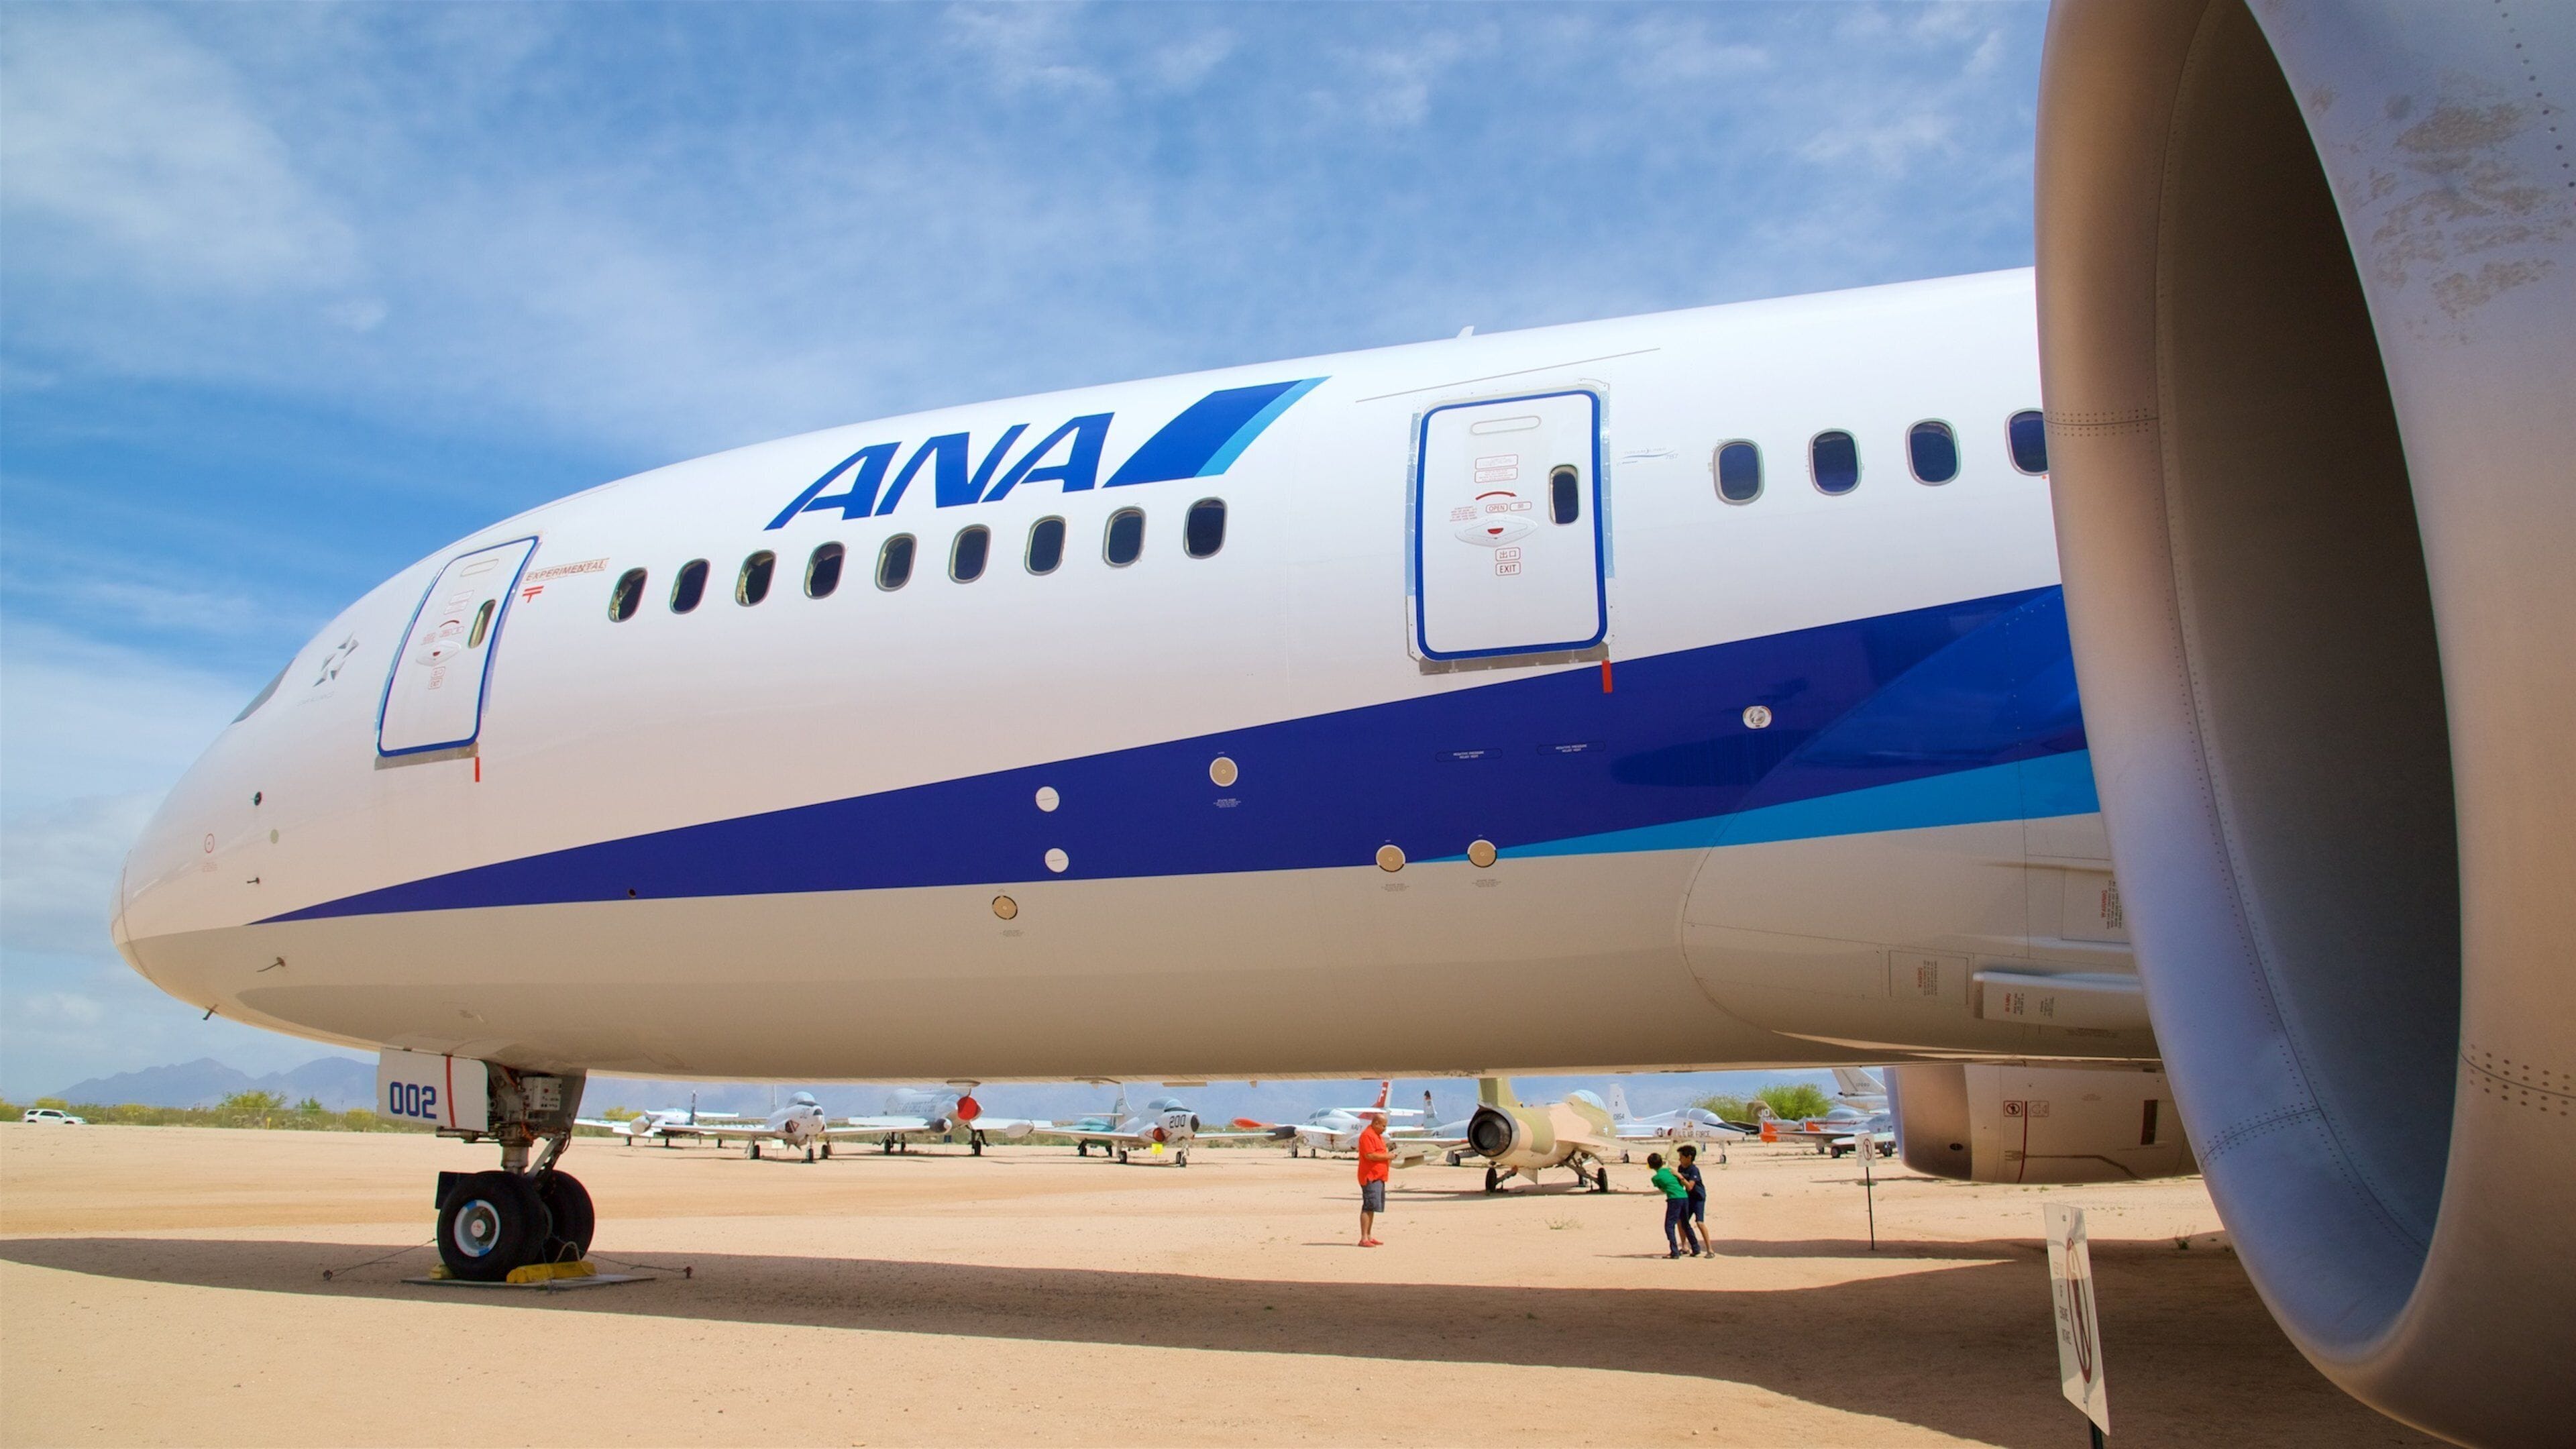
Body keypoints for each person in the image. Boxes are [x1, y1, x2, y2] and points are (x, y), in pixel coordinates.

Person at [1648, 1151, 1700, 1258]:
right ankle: (1695, 1247)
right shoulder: (1671, 1171)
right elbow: (1680, 1183)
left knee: (1669, 1226)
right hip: (1684, 1196)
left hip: (1674, 1199)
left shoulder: (1656, 1178)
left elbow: (1663, 1189)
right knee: (1685, 1224)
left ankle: (1674, 1251)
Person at [1356, 1110, 1393, 1246]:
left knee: (1373, 1207)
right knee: (1368, 1206)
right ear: (1376, 1123)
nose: (1385, 1128)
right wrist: (1388, 1157)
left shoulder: (1378, 1136)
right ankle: (1364, 1238)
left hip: (1379, 1176)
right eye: (1383, 1126)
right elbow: (1370, 1155)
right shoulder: (1367, 1136)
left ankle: (1369, 1236)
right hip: (1370, 1176)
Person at [1677, 1144, 1711, 1257]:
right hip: (1688, 1197)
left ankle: (1710, 1250)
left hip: (1698, 1198)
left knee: (1699, 1222)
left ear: (1689, 1157)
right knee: (1681, 1221)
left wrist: (1680, 1177)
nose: (1679, 1159)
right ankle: (1684, 1246)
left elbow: (1690, 1186)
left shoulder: (1694, 1170)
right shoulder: (1681, 1168)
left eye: (1681, 1157)